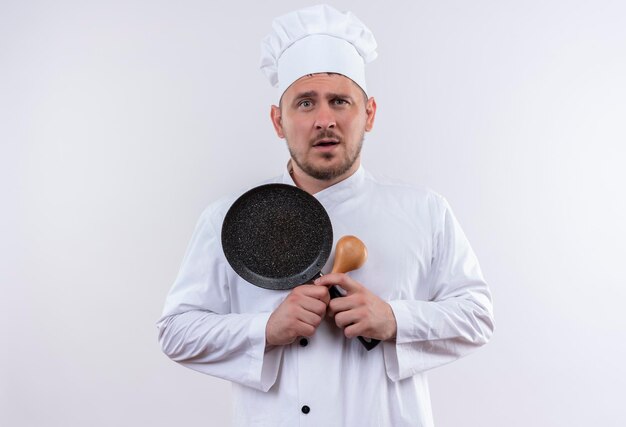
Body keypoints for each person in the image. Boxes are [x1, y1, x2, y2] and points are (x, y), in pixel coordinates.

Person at [157, 4, 494, 426]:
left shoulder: (424, 211)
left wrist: (395, 319)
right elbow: (176, 331)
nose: (324, 120)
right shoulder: (228, 218)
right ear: (278, 120)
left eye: (340, 101)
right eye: (304, 103)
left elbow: (477, 315)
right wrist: (264, 330)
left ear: (368, 114)